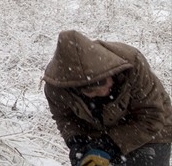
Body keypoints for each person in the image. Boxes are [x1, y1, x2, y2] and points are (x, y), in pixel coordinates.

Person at [43, 29, 172, 166]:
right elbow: (65, 118)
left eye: (103, 82)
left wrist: (110, 143)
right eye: (92, 91)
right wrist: (76, 141)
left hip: (152, 132)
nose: (103, 91)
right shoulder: (56, 86)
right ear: (76, 89)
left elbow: (152, 116)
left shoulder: (132, 64)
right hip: (97, 136)